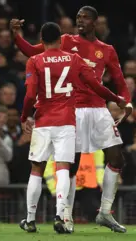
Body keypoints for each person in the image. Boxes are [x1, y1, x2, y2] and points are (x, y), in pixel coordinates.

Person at [11, 6, 132, 233]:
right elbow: (34, 51)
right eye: (78, 17)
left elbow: (119, 79)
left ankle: (105, 212)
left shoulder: (106, 50)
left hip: (98, 109)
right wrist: (17, 38)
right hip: (73, 109)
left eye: (85, 18)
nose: (80, 21)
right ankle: (65, 216)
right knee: (71, 166)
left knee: (117, 158)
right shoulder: (65, 41)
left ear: (95, 22)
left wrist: (126, 101)